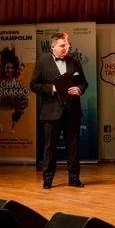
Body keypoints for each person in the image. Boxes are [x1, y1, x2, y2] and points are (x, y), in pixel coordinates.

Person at [29, 32, 88, 189]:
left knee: (73, 147)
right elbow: (33, 85)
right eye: (62, 46)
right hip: (51, 111)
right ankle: (47, 180)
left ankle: (74, 180)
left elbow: (84, 83)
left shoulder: (75, 62)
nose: (66, 48)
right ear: (52, 47)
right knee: (50, 148)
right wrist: (52, 88)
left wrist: (79, 89)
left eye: (67, 45)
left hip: (72, 111)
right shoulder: (42, 63)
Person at [0, 46, 29, 135]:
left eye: (11, 68)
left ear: (14, 69)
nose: (9, 70)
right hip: (1, 101)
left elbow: (23, 65)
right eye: (7, 68)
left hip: (12, 101)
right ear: (4, 68)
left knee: (25, 97)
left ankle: (13, 125)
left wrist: (16, 53)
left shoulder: (16, 76)